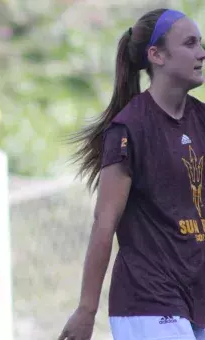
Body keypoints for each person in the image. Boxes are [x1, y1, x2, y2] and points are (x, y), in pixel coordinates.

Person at [58, 7, 205, 340]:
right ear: (156, 55)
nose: (202, 53)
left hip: (197, 296)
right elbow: (104, 222)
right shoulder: (129, 127)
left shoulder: (201, 120)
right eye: (191, 43)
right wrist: (86, 310)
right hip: (148, 302)